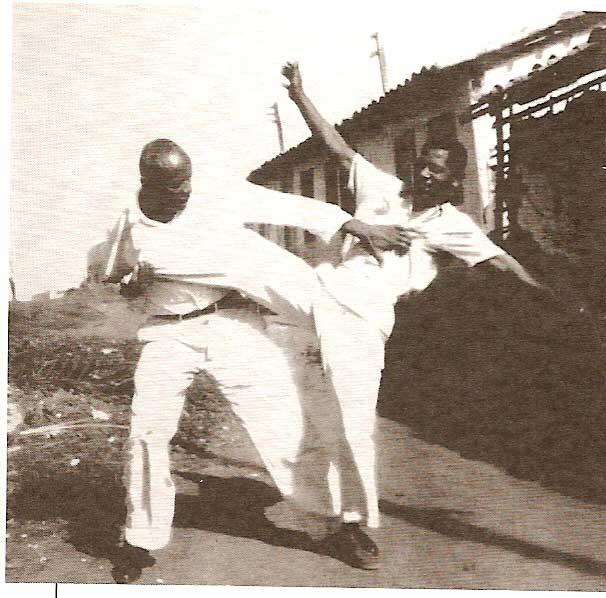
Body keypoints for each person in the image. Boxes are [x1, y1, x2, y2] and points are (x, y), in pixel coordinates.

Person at [281, 61, 562, 568]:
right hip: (314, 300)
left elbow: (500, 259)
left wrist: (548, 294)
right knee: (297, 408)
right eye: (423, 164)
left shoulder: (452, 224)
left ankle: (351, 524)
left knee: (353, 423)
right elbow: (336, 146)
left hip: (364, 322)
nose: (425, 173)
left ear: (453, 181)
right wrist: (301, 95)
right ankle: (313, 503)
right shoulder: (380, 187)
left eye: (437, 170)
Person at [104, 139, 411, 581]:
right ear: (149, 184)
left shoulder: (214, 194)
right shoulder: (129, 223)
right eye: (175, 186)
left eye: (188, 180)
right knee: (146, 431)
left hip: (231, 321)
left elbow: (281, 205)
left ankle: (336, 524)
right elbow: (114, 277)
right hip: (167, 330)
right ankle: (140, 537)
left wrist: (351, 224)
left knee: (282, 428)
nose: (186, 191)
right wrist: (134, 284)